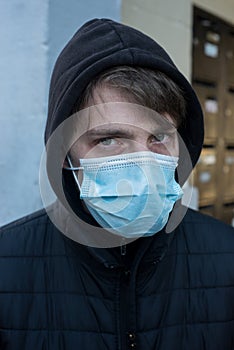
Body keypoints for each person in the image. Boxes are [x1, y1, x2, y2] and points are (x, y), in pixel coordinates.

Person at [0, 18, 234, 350]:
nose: (143, 162)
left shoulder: (227, 258)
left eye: (159, 137)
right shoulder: (7, 266)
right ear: (66, 154)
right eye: (110, 139)